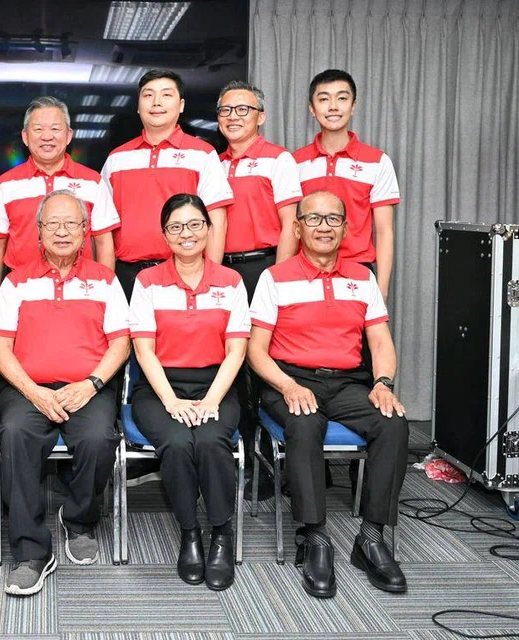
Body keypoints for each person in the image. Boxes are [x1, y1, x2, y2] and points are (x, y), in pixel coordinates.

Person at [247, 190, 409, 599]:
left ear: (346, 228)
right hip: (288, 379)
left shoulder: (362, 277)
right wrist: (286, 385)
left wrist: (383, 383)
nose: (323, 227)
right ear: (298, 227)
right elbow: (255, 351)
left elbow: (380, 341)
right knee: (304, 423)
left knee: (393, 423)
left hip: (349, 381)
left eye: (333, 219)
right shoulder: (275, 278)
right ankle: (315, 536)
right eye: (314, 219)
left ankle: (371, 538)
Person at [0, 190, 130, 596]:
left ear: (87, 231)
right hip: (26, 388)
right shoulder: (16, 281)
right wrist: (34, 392)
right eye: (53, 223)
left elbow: (120, 343)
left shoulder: (105, 280)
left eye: (72, 223)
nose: (63, 231)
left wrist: (92, 385)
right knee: (14, 434)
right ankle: (32, 551)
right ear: (38, 232)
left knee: (98, 438)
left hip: (88, 386)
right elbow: (0, 347)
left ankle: (79, 519)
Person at [129, 193, 250, 590]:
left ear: (209, 229)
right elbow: (144, 349)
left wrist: (213, 399)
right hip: (159, 387)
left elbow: (237, 350)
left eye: (196, 224)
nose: (187, 234)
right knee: (179, 442)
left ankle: (220, 531)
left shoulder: (230, 282)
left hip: (217, 383)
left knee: (213, 440)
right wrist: (171, 401)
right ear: (165, 235)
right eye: (176, 227)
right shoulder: (147, 281)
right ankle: (190, 531)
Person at [216, 80, 303, 498]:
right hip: (223, 274)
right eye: (226, 111)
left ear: (260, 116)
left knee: (263, 364)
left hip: (264, 268)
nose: (233, 117)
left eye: (243, 109)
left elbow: (291, 223)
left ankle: (273, 464)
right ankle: (245, 462)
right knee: (231, 365)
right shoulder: (213, 163)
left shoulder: (278, 159)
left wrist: (280, 279)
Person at [101, 69, 234, 299]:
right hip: (126, 276)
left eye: (166, 95)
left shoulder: (203, 154)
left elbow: (217, 220)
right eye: (148, 95)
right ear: (138, 105)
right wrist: (106, 285)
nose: (156, 103)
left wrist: (209, 277)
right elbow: (102, 230)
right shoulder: (116, 159)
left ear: (181, 105)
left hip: (185, 274)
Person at [0, 96, 120, 292]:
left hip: (81, 289)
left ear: (68, 135)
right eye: (38, 129)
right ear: (25, 136)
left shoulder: (93, 182)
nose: (47, 136)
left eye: (55, 129)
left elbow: (103, 242)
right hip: (21, 288)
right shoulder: (5, 184)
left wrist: (105, 292)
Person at [293, 69, 400, 301]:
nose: (333, 106)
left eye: (342, 98)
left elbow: (384, 232)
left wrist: (380, 292)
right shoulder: (295, 163)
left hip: (358, 274)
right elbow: (292, 228)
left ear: (353, 106)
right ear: (312, 108)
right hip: (305, 275)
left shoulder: (377, 161)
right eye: (323, 99)